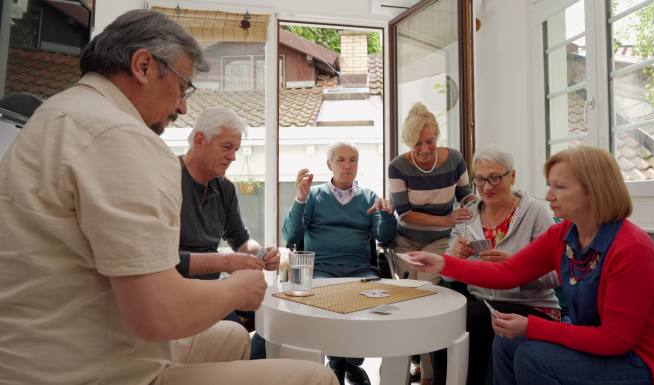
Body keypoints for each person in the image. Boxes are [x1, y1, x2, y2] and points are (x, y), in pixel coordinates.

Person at [0, 10, 337, 385]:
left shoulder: (58, 113)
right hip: (89, 369)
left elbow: (237, 239)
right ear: (143, 66)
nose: (182, 107)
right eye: (182, 86)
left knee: (230, 336)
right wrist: (237, 287)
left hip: (49, 346)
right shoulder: (122, 139)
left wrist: (248, 258)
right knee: (315, 377)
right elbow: (158, 313)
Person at [409, 146, 654, 385]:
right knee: (506, 343)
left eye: (559, 187)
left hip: (645, 361)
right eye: (550, 185)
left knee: (532, 356)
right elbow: (509, 272)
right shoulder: (563, 234)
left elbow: (615, 340)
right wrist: (444, 262)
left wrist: (530, 327)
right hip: (604, 348)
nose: (549, 195)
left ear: (594, 191)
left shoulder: (632, 249)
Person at [431, 146, 560, 385]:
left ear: (512, 177)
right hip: (485, 303)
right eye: (480, 179)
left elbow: (555, 275)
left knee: (471, 318)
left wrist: (516, 266)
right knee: (445, 321)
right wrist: (455, 257)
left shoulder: (535, 213)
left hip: (531, 306)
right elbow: (449, 278)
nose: (487, 186)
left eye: (495, 178)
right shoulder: (467, 215)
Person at [282, 142, 397, 385]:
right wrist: (300, 198)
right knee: (331, 305)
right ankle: (340, 365)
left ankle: (347, 363)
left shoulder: (369, 197)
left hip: (361, 271)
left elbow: (385, 238)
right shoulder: (313, 196)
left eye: (352, 160)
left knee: (365, 308)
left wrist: (386, 214)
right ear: (329, 165)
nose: (347, 165)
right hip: (321, 270)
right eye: (341, 160)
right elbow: (291, 236)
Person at [388, 102, 476, 384]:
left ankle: (427, 376)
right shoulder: (398, 167)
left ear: (437, 138)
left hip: (440, 242)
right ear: (408, 143)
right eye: (417, 144)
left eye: (429, 141)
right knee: (406, 304)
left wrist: (482, 205)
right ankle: (397, 372)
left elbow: (466, 195)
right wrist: (446, 220)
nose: (424, 149)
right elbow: (405, 213)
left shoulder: (454, 159)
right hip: (407, 239)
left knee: (424, 297)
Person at [177, 107, 279, 340]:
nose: (233, 156)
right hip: (176, 292)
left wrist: (262, 253)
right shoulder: (167, 178)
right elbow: (162, 260)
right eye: (227, 147)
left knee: (272, 318)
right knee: (240, 332)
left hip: (213, 290)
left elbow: (240, 239)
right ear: (200, 140)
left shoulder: (225, 188)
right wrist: (224, 262)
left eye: (236, 149)